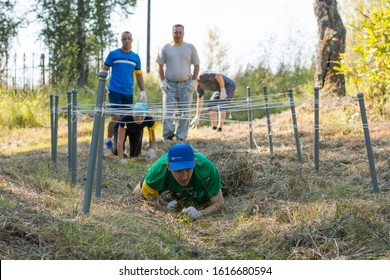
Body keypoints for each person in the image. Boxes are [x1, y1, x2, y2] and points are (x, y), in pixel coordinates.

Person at [133, 143, 224, 220]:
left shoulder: (207, 169)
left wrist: (201, 213)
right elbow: (148, 199)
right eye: (178, 170)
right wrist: (163, 205)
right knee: (137, 194)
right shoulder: (158, 170)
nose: (184, 176)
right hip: (165, 182)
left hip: (199, 189)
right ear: (168, 166)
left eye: (188, 169)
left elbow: (219, 202)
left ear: (194, 163)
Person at [103, 31, 147, 150]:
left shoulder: (135, 57)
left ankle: (120, 143)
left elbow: (138, 75)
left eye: (129, 39)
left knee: (126, 118)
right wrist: (102, 85)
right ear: (121, 40)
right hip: (115, 90)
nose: (126, 41)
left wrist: (143, 90)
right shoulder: (113, 54)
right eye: (124, 39)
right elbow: (104, 69)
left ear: (131, 40)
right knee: (117, 116)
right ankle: (109, 139)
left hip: (128, 92)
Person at [157, 24, 200, 141]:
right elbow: (160, 65)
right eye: (176, 32)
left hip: (186, 84)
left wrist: (193, 81)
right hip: (169, 84)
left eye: (180, 32)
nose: (178, 34)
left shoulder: (190, 47)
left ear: (183, 33)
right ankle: (168, 136)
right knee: (168, 111)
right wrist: (162, 81)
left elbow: (196, 65)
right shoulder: (165, 47)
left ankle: (181, 137)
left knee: (185, 113)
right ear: (172, 33)